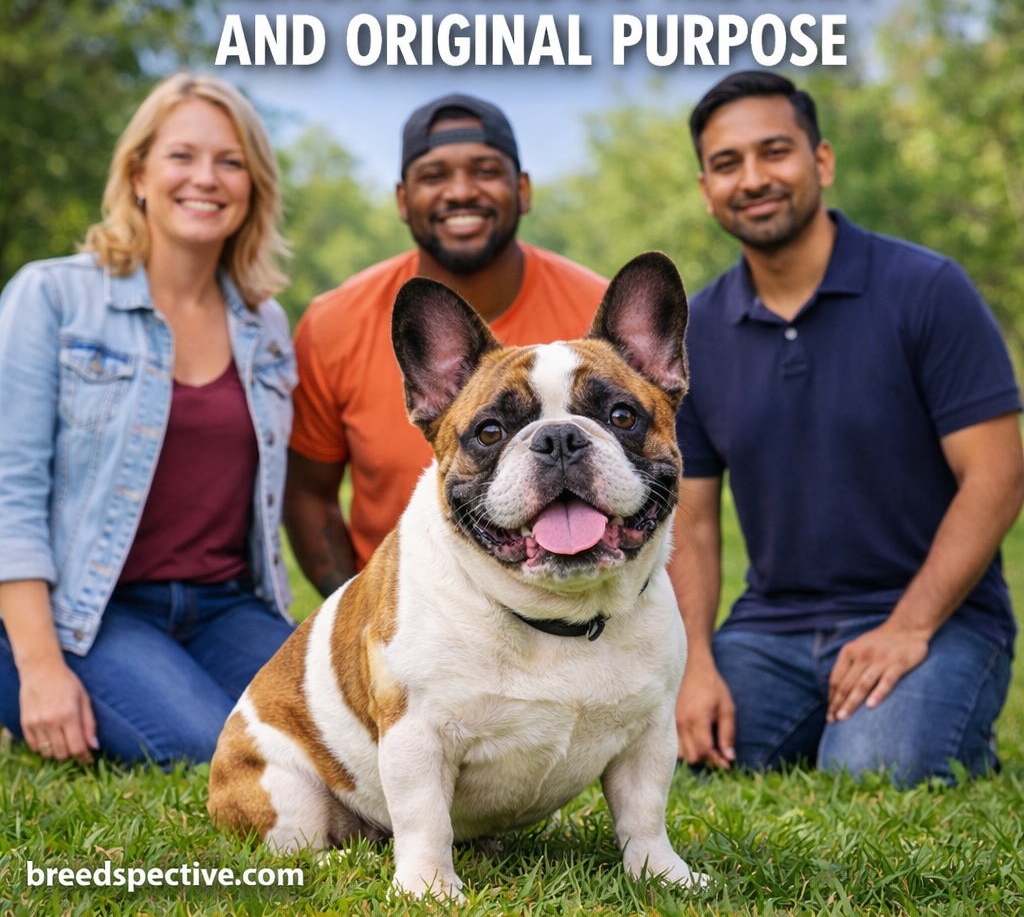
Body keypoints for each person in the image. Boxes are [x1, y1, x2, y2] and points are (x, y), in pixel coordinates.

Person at [671, 70, 1024, 785]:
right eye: (727, 164)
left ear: (821, 161)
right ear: (707, 189)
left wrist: (908, 628)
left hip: (938, 616)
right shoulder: (697, 331)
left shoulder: (927, 290)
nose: (753, 179)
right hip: (770, 627)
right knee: (683, 761)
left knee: (873, 769)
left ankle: (937, 723)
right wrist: (692, 664)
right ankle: (834, 719)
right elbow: (694, 522)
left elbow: (997, 474)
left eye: (775, 152)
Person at [0, 74, 298, 767]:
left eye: (231, 162)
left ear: (252, 186)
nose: (207, 178)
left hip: (224, 605)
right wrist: (43, 671)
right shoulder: (51, 297)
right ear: (137, 175)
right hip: (95, 610)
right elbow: (8, 495)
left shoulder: (265, 325)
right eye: (181, 156)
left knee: (341, 721)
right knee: (205, 747)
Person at [284, 93, 609, 595]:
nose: (460, 191)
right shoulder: (334, 322)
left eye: (484, 170)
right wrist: (361, 608)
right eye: (434, 176)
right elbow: (307, 492)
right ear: (401, 198)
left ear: (522, 190)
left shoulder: (596, 308)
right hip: (414, 607)